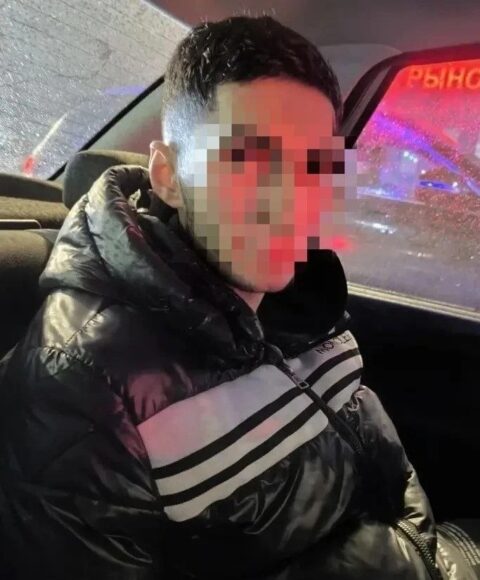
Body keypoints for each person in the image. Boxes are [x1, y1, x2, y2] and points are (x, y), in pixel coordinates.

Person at [0, 15, 477, 580]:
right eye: (249, 161)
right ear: (167, 176)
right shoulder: (83, 385)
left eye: (315, 166)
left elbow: (385, 470)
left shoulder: (303, 299)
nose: (291, 203)